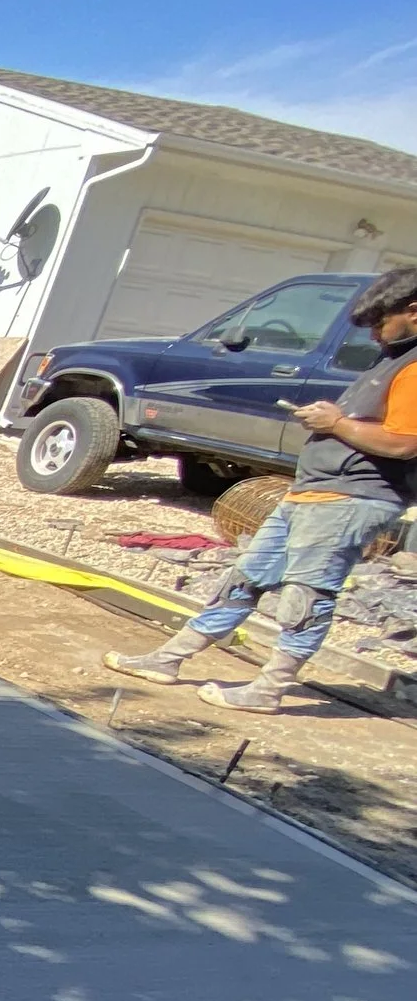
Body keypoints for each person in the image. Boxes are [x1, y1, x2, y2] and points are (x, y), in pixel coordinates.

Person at [105, 266, 417, 711]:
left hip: (351, 499)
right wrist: (335, 421)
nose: (373, 335)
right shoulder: (392, 360)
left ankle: (268, 690)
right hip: (315, 493)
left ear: (413, 311)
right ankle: (167, 660)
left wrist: (338, 423)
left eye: (379, 324)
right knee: (246, 578)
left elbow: (406, 442)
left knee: (307, 595)